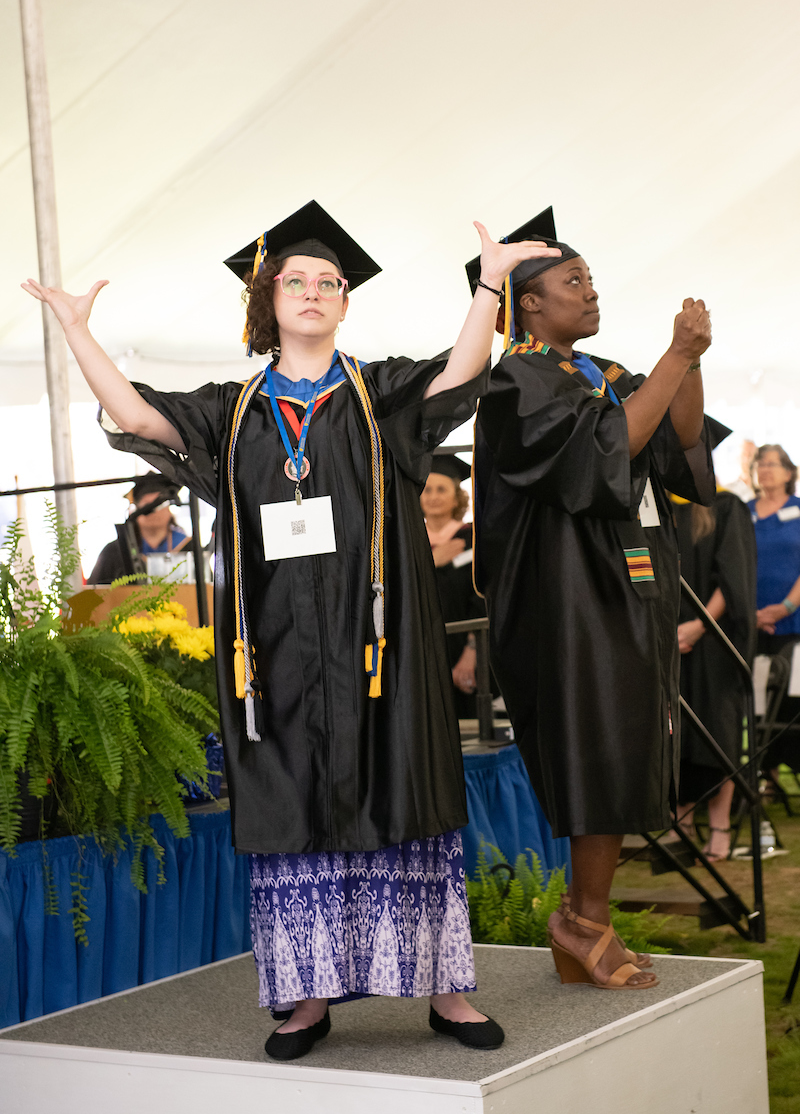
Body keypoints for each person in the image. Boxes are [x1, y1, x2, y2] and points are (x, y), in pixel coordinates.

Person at [23, 199, 561, 1059]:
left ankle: (447, 990)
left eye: (329, 282)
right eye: (296, 280)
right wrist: (79, 332)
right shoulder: (232, 412)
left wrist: (489, 287)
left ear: (345, 302)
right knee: (289, 803)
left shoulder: (380, 394)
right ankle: (306, 997)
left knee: (403, 790)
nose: (313, 291)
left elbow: (460, 374)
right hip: (272, 651)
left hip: (379, 644)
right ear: (267, 299)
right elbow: (139, 417)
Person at [470, 206, 715, 992]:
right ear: (529, 303)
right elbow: (607, 451)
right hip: (565, 597)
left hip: (624, 588)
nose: (590, 290)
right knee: (595, 747)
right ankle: (583, 920)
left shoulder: (599, 372)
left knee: (621, 744)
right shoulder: (515, 380)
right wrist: (675, 356)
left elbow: (679, 443)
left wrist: (690, 362)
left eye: (591, 278)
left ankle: (585, 917)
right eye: (573, 280)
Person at [672, 482, 757, 863]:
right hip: (668, 639)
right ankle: (683, 824)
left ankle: (720, 827)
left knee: (718, 733)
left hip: (714, 642)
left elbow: (733, 576)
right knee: (676, 735)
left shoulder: (725, 505)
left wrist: (699, 625)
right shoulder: (655, 506)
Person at [421, 454, 484, 713]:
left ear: (457, 497)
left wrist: (472, 653)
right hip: (422, 650)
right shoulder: (411, 542)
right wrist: (433, 561)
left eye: (441, 489)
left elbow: (482, 598)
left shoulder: (474, 538)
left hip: (466, 650)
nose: (433, 496)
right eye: (427, 490)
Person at [87, 472, 189, 583]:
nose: (154, 512)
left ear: (169, 510)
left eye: (159, 504)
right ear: (137, 510)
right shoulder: (115, 551)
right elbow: (92, 591)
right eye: (148, 506)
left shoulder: (188, 547)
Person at [748, 445, 800, 654]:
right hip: (750, 619)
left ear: (788, 473)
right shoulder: (742, 511)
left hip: (793, 618)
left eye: (771, 464)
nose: (765, 469)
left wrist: (786, 607)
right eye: (760, 464)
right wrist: (749, 614)